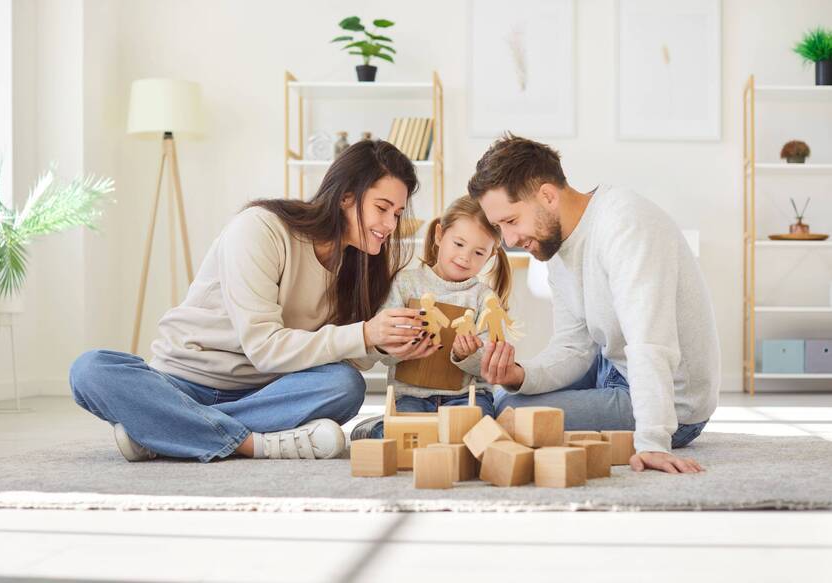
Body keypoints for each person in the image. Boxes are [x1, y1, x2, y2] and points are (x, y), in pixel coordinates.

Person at [69, 140, 437, 462]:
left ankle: (165, 430)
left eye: (398, 213)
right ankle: (252, 444)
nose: (390, 224)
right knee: (90, 370)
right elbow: (264, 348)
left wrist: (391, 344)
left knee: (345, 385)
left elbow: (346, 350)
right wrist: (367, 333)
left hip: (265, 390)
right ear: (345, 197)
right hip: (182, 380)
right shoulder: (261, 229)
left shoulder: (358, 265)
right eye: (382, 208)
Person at [467, 134, 720, 474]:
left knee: (508, 414)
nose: (509, 240)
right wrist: (520, 375)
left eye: (511, 221)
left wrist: (652, 442)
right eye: (500, 227)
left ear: (547, 195)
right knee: (503, 395)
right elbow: (574, 347)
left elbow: (650, 343)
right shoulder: (557, 247)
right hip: (612, 368)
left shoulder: (625, 225)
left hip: (672, 403)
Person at [350, 195, 513, 440]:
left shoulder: (484, 298)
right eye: (458, 244)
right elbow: (380, 351)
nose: (465, 257)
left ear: (490, 257)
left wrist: (466, 355)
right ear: (439, 235)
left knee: (476, 438)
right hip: (411, 397)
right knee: (404, 440)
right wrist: (400, 343)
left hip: (467, 397)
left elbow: (488, 365)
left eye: (478, 252)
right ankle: (379, 427)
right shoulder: (406, 284)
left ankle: (413, 429)